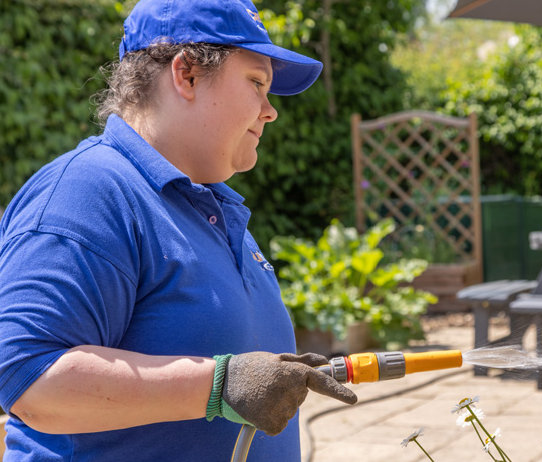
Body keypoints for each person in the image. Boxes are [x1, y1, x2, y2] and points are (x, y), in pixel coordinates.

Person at [0, 0, 357, 460]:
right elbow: (27, 378)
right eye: (256, 83)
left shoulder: (207, 205)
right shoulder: (88, 190)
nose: (270, 111)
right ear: (186, 74)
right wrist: (218, 384)